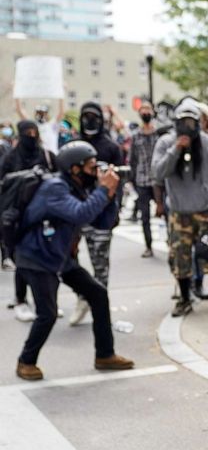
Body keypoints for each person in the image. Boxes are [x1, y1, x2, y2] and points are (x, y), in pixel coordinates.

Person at [14, 141, 133, 380]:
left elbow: (102, 223)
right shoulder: (55, 188)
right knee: (47, 313)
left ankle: (105, 355)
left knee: (97, 294)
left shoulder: (80, 188)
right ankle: (25, 361)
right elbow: (81, 213)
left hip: (58, 256)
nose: (95, 170)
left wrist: (110, 194)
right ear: (75, 168)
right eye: (90, 166)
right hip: (36, 257)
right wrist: (102, 190)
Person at [152, 98, 208, 317]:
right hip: (179, 213)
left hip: (207, 211)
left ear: (198, 123)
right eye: (182, 122)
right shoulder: (165, 143)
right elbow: (157, 174)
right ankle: (185, 299)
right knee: (180, 258)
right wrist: (176, 149)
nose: (187, 126)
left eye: (191, 122)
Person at [72, 100, 125, 327]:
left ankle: (99, 308)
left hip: (102, 216)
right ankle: (83, 296)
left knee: (100, 265)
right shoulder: (74, 146)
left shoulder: (111, 147)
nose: (89, 121)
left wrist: (114, 206)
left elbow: (119, 182)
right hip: (75, 214)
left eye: (94, 116)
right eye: (86, 116)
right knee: (68, 263)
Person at [1, 121, 57, 321]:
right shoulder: (10, 158)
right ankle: (21, 299)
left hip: (43, 214)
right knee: (22, 260)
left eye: (34, 132)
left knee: (47, 259)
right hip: (19, 216)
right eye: (27, 133)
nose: (31, 136)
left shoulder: (46, 155)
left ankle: (47, 301)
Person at [129, 99, 159, 258]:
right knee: (145, 216)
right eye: (143, 109)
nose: (146, 112)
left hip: (158, 181)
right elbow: (132, 159)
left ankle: (169, 241)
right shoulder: (135, 136)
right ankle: (149, 245)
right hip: (142, 180)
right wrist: (132, 179)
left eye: (148, 109)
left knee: (166, 211)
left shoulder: (159, 133)